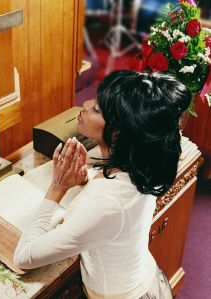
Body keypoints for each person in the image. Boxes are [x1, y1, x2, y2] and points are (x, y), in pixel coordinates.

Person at [13, 70, 191, 298]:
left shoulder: (109, 202)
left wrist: (57, 187)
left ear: (117, 133)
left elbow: (24, 257)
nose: (85, 104)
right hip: (143, 275)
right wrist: (86, 178)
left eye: (96, 109)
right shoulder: (141, 163)